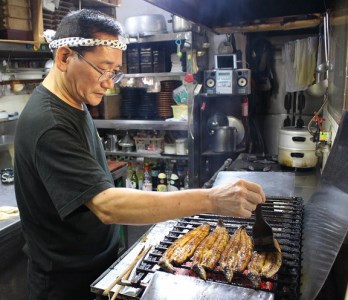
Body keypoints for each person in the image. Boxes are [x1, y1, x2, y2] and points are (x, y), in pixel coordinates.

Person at [14, 9, 265, 300]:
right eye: (102, 69)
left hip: (95, 267)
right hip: (64, 284)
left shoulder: (74, 98)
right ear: (65, 57)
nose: (109, 83)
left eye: (114, 72)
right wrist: (211, 200)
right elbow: (107, 206)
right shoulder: (49, 123)